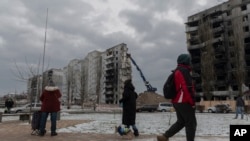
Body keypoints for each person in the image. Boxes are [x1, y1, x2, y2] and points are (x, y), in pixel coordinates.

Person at [157, 54, 197, 141]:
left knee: (181, 122)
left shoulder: (176, 71)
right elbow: (187, 88)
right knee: (191, 123)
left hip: (176, 101)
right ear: (186, 61)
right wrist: (192, 102)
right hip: (184, 101)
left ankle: (165, 136)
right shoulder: (184, 71)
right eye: (189, 60)